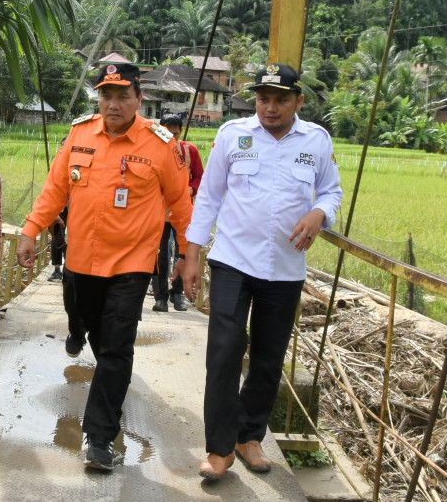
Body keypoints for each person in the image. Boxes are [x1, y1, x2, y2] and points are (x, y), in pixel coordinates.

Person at [17, 62, 193, 472]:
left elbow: (182, 205)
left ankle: (98, 437)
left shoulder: (160, 144)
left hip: (132, 264)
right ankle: (101, 367)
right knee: (95, 331)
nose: (113, 104)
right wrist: (31, 230)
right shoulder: (80, 134)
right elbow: (55, 188)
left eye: (122, 96)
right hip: (81, 261)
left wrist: (187, 255)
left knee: (116, 347)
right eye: (106, 95)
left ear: (138, 98)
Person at [179, 62, 342, 480]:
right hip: (233, 260)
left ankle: (249, 437)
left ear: (298, 101)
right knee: (225, 352)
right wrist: (191, 255)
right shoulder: (234, 135)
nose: (271, 107)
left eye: (281, 99)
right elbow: (209, 197)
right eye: (264, 98)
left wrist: (320, 212)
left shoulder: (316, 141)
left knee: (269, 359)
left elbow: (331, 189)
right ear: (255, 100)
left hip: (286, 269)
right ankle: (218, 449)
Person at [153, 114, 204, 312]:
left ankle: (177, 294)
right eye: (167, 133)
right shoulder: (153, 150)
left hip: (183, 212)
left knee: (181, 253)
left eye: (175, 134)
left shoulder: (190, 150)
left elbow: (199, 175)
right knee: (159, 255)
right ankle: (160, 297)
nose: (171, 138)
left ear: (180, 132)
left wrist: (192, 188)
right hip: (159, 212)